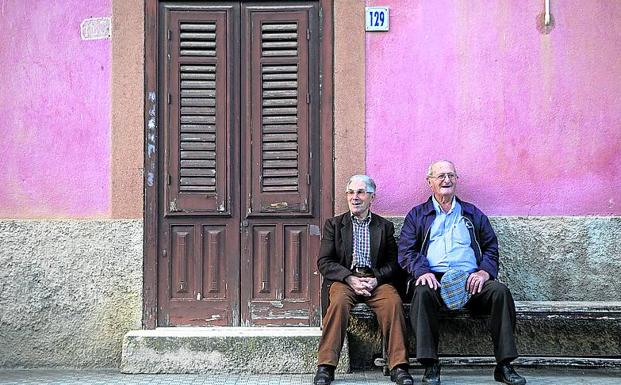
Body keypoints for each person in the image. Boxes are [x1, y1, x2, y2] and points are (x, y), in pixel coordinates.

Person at [398, 161, 526, 385]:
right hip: (434, 279)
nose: (446, 180)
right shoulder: (418, 215)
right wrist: (421, 271)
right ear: (430, 182)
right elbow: (406, 251)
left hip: (470, 279)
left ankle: (504, 365)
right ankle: (431, 365)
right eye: (440, 176)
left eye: (450, 176)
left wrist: (485, 272)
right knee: (422, 292)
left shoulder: (472, 213)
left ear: (456, 180)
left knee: (500, 292)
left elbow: (490, 247)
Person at [313, 175, 413, 385]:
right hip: (345, 280)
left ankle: (399, 367)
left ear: (371, 197)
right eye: (350, 192)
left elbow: (394, 263)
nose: (354, 197)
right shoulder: (334, 224)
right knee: (338, 303)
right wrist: (349, 278)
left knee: (393, 303)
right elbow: (324, 262)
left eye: (360, 192)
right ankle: (326, 367)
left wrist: (376, 279)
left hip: (375, 281)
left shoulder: (384, 226)